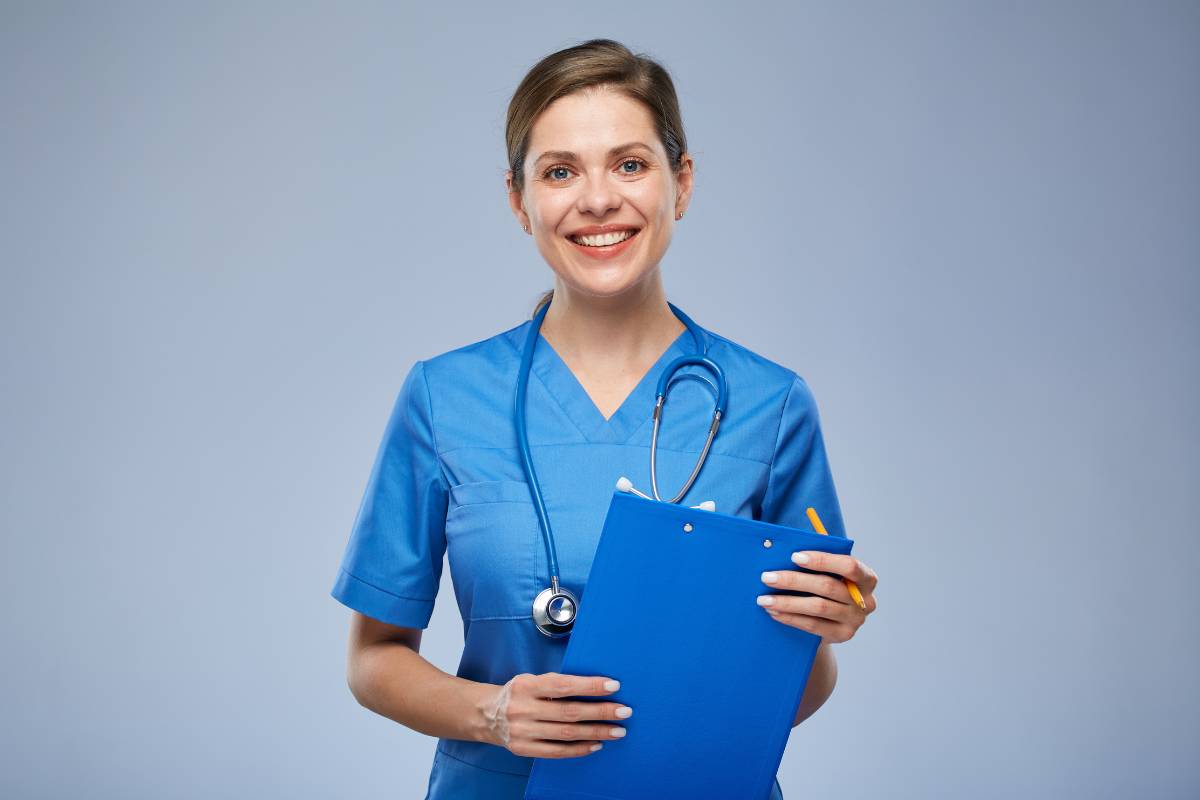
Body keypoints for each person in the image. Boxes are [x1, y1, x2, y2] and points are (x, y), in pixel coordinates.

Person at [330, 38, 879, 800]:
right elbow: (372, 659)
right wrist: (493, 714)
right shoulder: (443, 397)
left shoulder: (771, 404)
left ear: (680, 183)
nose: (597, 200)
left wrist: (826, 623)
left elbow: (804, 685)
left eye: (630, 164)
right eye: (560, 171)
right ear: (520, 201)